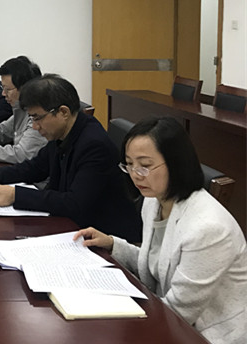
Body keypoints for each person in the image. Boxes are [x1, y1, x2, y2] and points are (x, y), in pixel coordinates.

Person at [75, 117, 246, 344]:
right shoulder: (154, 200)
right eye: (129, 164)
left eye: (145, 165)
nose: (135, 174)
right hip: (168, 316)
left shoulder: (208, 228)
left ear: (176, 163)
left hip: (209, 335)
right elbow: (158, 263)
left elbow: (180, 311)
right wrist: (113, 244)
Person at [0, 74, 141, 243]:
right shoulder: (63, 132)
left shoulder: (94, 145)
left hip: (105, 237)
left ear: (63, 112)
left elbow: (75, 203)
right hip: (73, 226)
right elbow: (36, 167)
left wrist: (16, 195)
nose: (35, 127)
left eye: (37, 118)